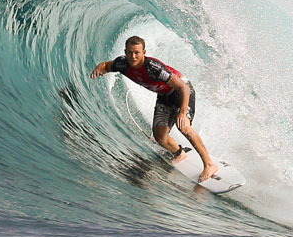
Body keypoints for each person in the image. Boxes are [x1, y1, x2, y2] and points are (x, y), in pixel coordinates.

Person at [90, 36, 219, 182]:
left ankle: (209, 164)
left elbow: (183, 87)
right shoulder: (122, 64)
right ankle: (179, 152)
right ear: (125, 51)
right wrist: (98, 70)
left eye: (137, 52)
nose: (133, 56)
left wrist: (182, 113)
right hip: (164, 96)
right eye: (130, 52)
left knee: (184, 127)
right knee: (160, 137)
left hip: (181, 92)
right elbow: (106, 65)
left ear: (144, 52)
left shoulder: (153, 67)